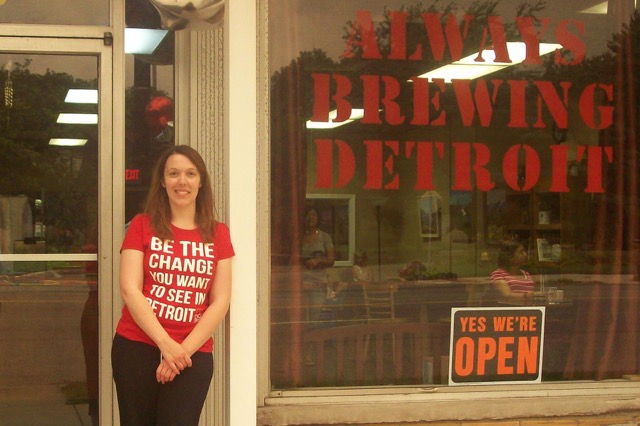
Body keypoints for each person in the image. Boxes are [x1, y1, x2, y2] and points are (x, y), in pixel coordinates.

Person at [111, 145, 234, 425]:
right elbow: (129, 289)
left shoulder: (218, 233)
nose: (182, 181)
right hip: (137, 347)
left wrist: (181, 352)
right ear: (163, 181)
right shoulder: (142, 225)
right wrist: (165, 344)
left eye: (190, 174)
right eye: (174, 173)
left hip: (192, 354)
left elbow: (220, 301)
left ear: (201, 181)